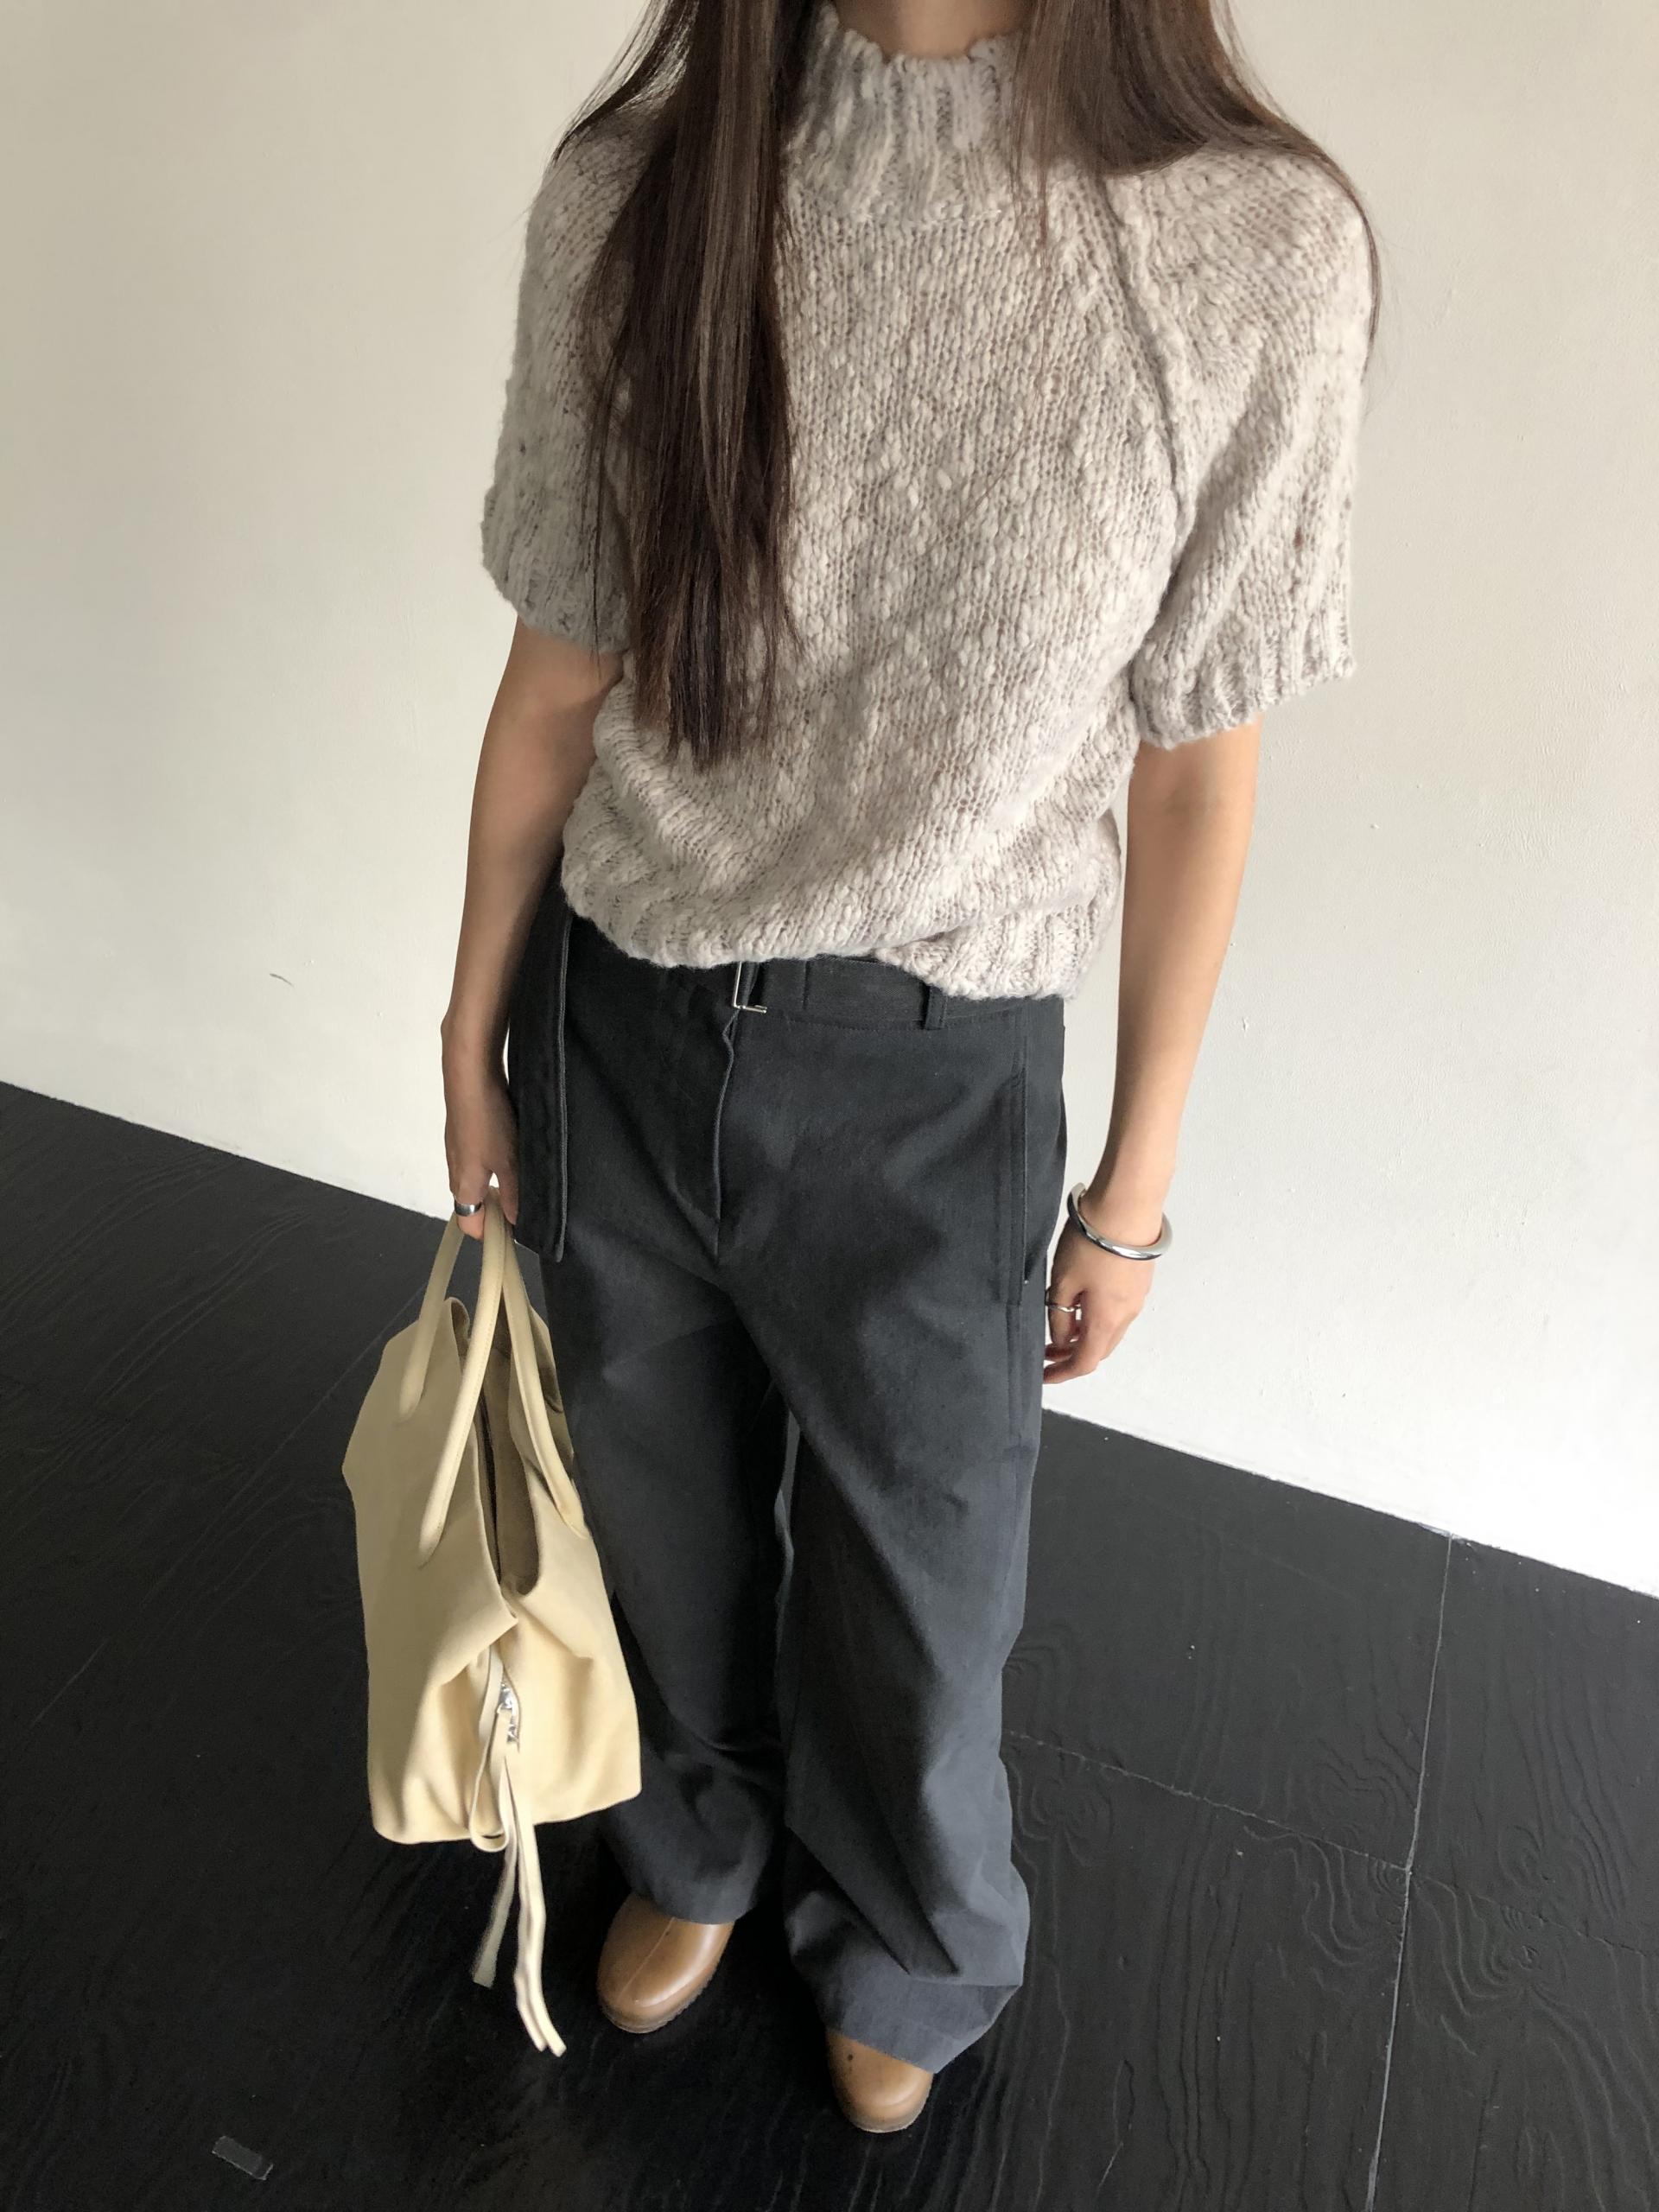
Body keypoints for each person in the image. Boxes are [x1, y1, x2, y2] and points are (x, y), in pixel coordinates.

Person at [441, 0, 1376, 2136]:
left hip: (938, 1059)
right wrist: (469, 1026)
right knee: (650, 1502)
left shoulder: (1248, 246)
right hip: (620, 1004)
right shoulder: (637, 190)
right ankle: (693, 1830)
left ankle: (911, 1928)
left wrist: (1134, 1187)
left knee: (925, 1570)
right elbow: (557, 678)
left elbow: (1199, 766)